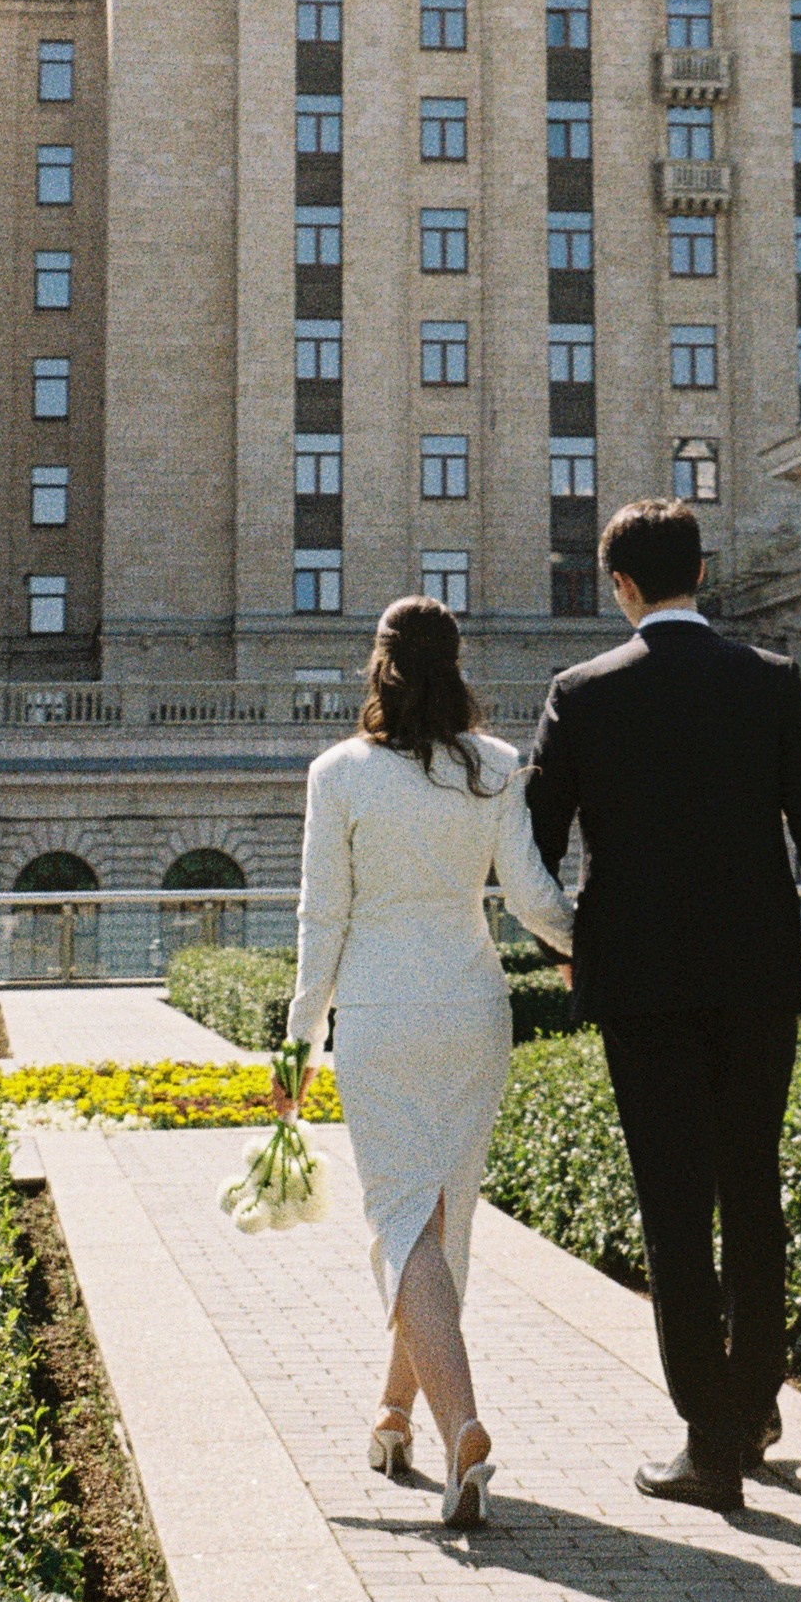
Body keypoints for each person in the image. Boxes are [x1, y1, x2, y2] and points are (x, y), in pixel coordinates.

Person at [524, 497, 801, 1513]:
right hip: (756, 983)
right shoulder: (765, 682)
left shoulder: (581, 693)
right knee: (752, 1191)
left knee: (674, 1208)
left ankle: (707, 1442)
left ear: (621, 586)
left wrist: (570, 945)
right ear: (702, 574)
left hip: (640, 990)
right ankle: (755, 1408)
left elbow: (533, 848)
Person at [276, 594, 576, 1528]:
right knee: (441, 1224)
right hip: (474, 1010)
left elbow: (320, 919)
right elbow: (531, 897)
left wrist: (295, 1045)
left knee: (406, 1226)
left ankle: (466, 1431)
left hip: (377, 1013)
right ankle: (395, 1413)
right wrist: (586, 946)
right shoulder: (493, 766)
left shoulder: (339, 773)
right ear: (456, 665)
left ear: (379, 666)